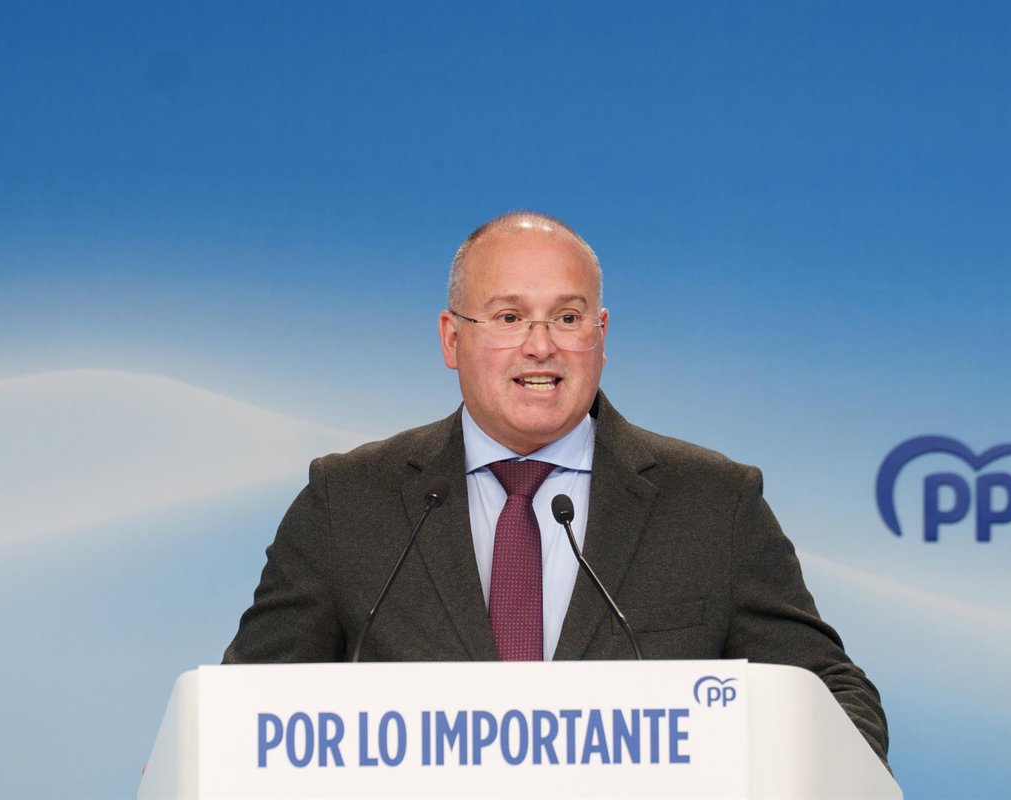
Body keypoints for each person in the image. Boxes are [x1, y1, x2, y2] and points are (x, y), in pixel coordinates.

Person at [223, 211, 889, 765]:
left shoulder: (712, 503)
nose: (540, 346)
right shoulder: (347, 502)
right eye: (509, 317)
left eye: (567, 318)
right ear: (452, 339)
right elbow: (242, 713)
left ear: (601, 336)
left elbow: (835, 695)